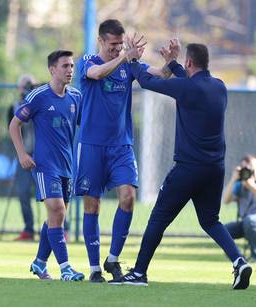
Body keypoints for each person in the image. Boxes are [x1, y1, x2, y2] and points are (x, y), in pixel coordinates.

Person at [120, 37, 252, 290]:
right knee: (210, 220)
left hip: (189, 169)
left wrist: (133, 60)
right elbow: (190, 81)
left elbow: (148, 81)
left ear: (189, 61)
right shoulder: (220, 86)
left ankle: (138, 273)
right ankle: (239, 261)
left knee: (158, 218)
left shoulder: (187, 88)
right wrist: (172, 62)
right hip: (215, 169)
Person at [75, 19, 172, 283]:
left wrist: (170, 62)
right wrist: (125, 58)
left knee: (128, 197)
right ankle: (94, 268)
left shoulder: (128, 65)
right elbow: (97, 74)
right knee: (92, 204)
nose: (118, 49)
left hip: (121, 145)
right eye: (113, 44)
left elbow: (159, 74)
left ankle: (113, 259)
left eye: (121, 44)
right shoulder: (87, 61)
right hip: (92, 145)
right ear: (101, 41)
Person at [9, 50, 84, 281]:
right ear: (52, 69)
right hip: (44, 166)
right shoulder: (38, 96)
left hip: (67, 167)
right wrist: (22, 154)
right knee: (57, 211)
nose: (70, 70)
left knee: (55, 218)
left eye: (72, 66)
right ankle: (66, 269)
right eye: (65, 66)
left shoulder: (76, 98)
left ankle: (40, 263)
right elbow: (14, 125)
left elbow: (85, 127)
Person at [7, 74, 37, 241]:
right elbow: (11, 130)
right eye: (26, 85)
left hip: (42, 155)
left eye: (31, 85)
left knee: (53, 195)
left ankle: (62, 229)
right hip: (24, 154)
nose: (28, 88)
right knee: (23, 193)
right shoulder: (14, 106)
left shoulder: (42, 102)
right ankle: (29, 229)